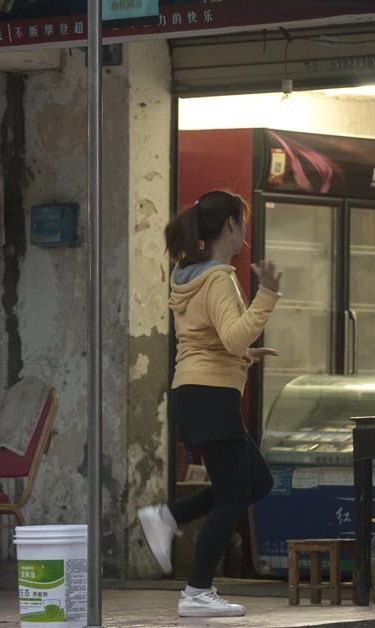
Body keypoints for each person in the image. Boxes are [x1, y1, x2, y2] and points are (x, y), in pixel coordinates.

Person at [138, 189, 282, 619]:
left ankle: (168, 517)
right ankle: (197, 591)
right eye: (243, 225)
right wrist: (267, 294)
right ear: (231, 225)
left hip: (196, 392)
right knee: (234, 496)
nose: (244, 235)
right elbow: (234, 336)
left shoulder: (188, 273)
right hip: (211, 395)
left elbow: (209, 339)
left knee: (257, 483)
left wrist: (244, 356)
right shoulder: (218, 277)